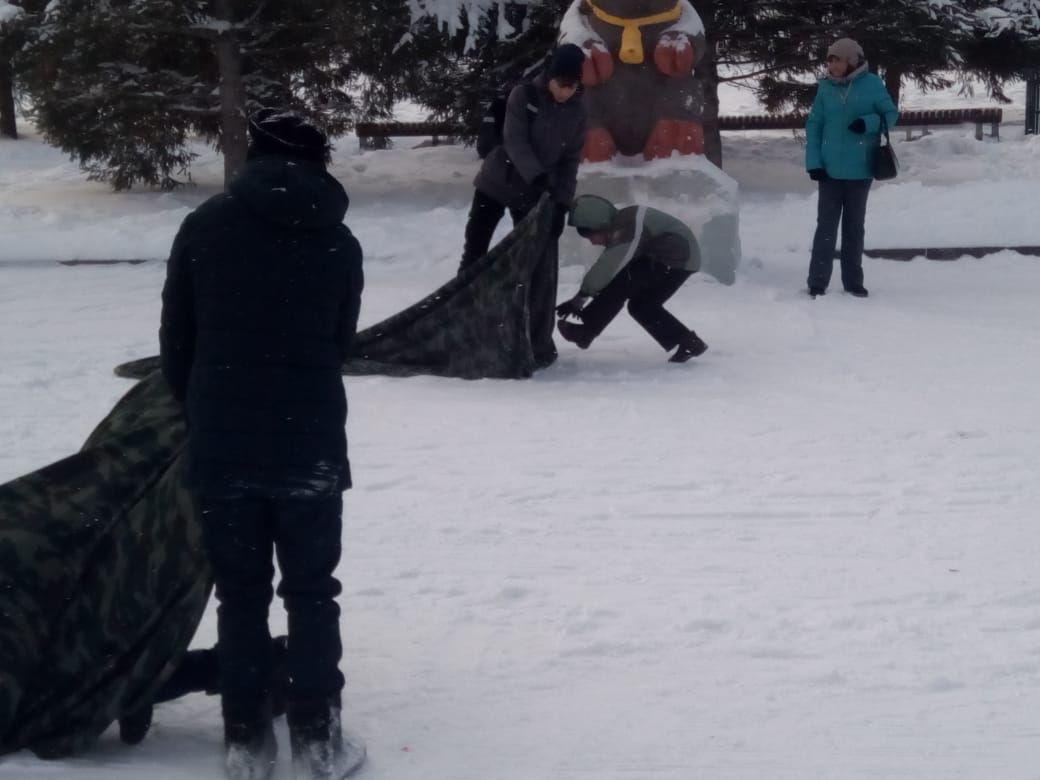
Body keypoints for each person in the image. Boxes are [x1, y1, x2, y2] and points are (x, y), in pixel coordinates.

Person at [159, 109, 365, 780]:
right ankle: (319, 737)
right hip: (309, 442)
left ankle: (246, 739)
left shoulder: (205, 228)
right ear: (316, 162)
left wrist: (205, 402)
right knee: (312, 591)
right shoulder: (338, 242)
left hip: (223, 443)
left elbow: (176, 347)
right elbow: (340, 344)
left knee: (240, 593)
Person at [460, 43, 588, 367]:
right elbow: (515, 140)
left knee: (527, 264)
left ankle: (521, 331)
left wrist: (561, 203)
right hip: (496, 184)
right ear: (550, 78)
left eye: (572, 86)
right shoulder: (523, 96)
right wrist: (538, 177)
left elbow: (571, 161)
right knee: (476, 252)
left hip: (533, 196)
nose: (565, 92)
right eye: (562, 84)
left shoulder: (577, 111)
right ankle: (461, 320)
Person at [555, 194, 708, 363]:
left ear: (600, 225)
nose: (592, 242)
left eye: (591, 236)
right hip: (678, 260)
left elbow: (608, 266)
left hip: (675, 259)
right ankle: (689, 343)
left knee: (623, 281)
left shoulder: (627, 228)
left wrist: (579, 299)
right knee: (641, 306)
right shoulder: (625, 222)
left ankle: (586, 332)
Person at [805, 37, 898, 298]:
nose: (831, 65)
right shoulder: (825, 89)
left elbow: (891, 115)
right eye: (829, 60)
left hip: (861, 169)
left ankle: (853, 281)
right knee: (825, 227)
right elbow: (814, 126)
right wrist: (814, 163)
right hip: (829, 171)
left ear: (853, 61)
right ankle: (817, 282)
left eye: (837, 60)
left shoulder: (872, 84)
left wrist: (868, 123)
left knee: (854, 227)